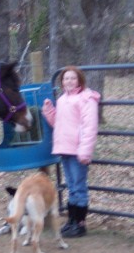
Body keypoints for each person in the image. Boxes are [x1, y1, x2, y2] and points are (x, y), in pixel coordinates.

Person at [42, 66, 100, 237]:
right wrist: (49, 111)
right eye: (66, 78)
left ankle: (80, 224)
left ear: (79, 80)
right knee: (72, 187)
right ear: (62, 82)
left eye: (72, 78)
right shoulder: (62, 99)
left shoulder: (86, 99)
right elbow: (58, 123)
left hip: (77, 150)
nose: (69, 81)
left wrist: (85, 150)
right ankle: (71, 221)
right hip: (64, 148)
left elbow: (90, 126)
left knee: (79, 186)